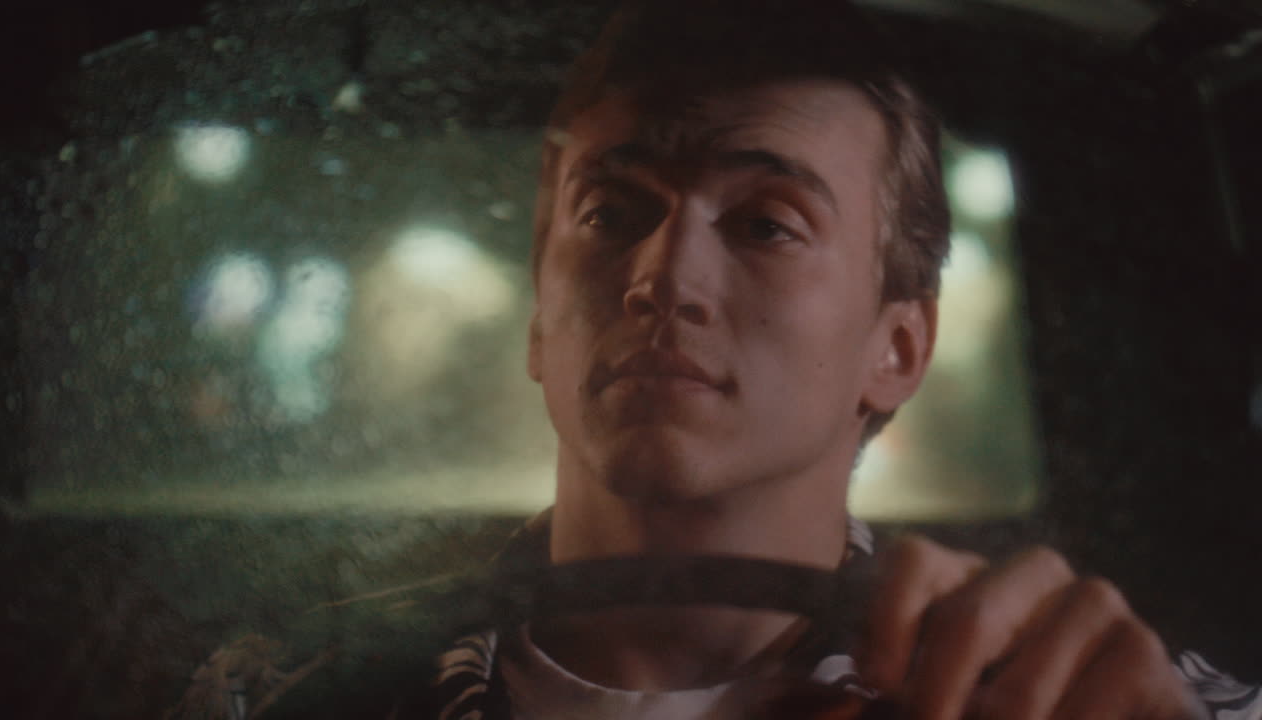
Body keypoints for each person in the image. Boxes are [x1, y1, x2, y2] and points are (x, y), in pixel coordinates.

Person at [419, 1, 1262, 718]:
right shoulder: (319, 682)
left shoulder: (1074, 695)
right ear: (538, 318)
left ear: (897, 347)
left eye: (765, 225)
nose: (664, 275)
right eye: (610, 214)